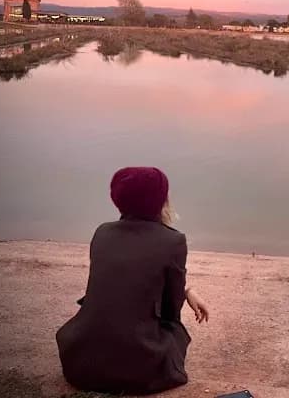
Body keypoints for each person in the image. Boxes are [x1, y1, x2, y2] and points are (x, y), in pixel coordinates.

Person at [56, 167, 208, 394]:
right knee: (174, 332)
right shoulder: (173, 240)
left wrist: (187, 291)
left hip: (79, 361)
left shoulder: (102, 233)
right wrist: (186, 293)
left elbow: (118, 283)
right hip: (139, 370)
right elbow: (169, 311)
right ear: (160, 200)